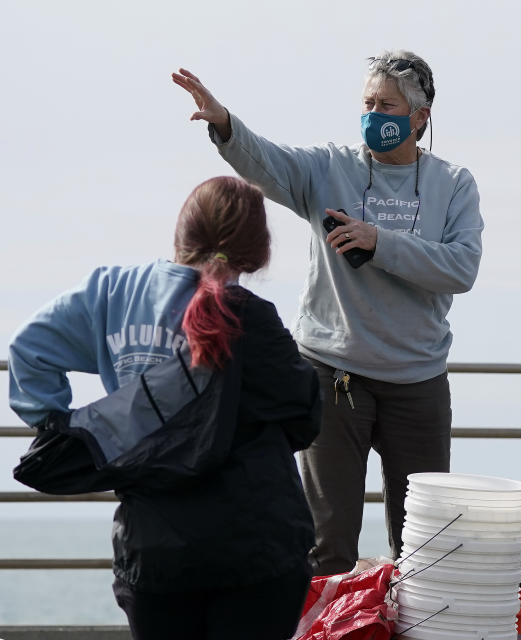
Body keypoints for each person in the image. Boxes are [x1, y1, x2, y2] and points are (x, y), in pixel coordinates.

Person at [172, 50, 484, 576]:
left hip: (418, 380)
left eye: (387, 105)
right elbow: (265, 162)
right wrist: (225, 124)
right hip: (333, 374)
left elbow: (462, 268)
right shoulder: (328, 168)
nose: (373, 114)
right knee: (327, 544)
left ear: (420, 117)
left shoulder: (453, 183)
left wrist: (379, 242)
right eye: (367, 102)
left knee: (424, 549)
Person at [7, 177, 319, 640]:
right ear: (256, 249)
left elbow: (27, 351)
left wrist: (69, 427)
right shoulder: (251, 316)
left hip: (152, 552)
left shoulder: (110, 292)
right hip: (254, 547)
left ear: (181, 234)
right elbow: (303, 417)